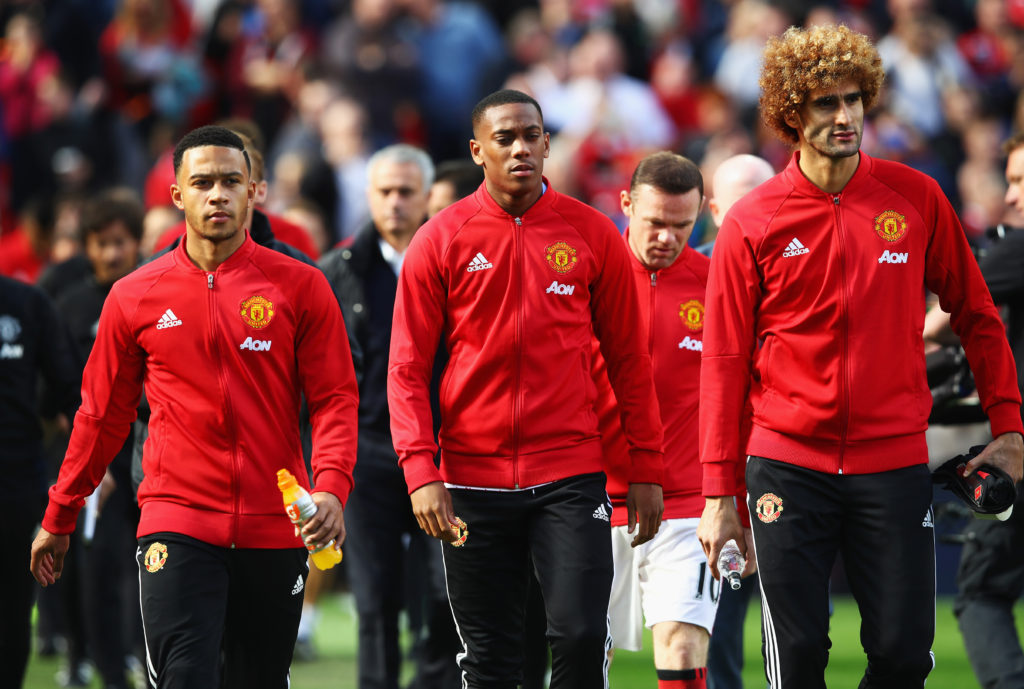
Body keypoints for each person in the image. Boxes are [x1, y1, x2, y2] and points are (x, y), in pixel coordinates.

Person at [696, 25, 1024, 689]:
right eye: (826, 103)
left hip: (895, 460)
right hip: (786, 464)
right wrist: (715, 491)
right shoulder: (751, 221)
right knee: (800, 661)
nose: (846, 116)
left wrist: (1010, 429)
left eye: (855, 100)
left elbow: (979, 318)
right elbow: (724, 360)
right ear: (792, 113)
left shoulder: (918, 196)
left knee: (904, 657)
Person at [29, 125, 359, 688]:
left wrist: (330, 485)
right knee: (186, 678)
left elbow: (334, 399)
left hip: (276, 525)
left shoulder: (301, 286)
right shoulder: (134, 295)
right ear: (178, 194)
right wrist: (62, 512)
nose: (218, 194)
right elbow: (100, 415)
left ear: (254, 190)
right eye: (202, 182)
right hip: (175, 520)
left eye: (232, 181)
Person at [387, 88, 665, 688]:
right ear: (477, 150)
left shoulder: (592, 234)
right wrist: (421, 472)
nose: (521, 149)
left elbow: (629, 362)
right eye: (505, 138)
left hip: (570, 474)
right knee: (491, 657)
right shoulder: (440, 240)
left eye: (532, 136)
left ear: (546, 142)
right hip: (469, 480)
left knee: (581, 635)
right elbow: (407, 370)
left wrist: (645, 465)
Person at [319, 143, 458, 689]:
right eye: (385, 192)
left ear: (427, 197)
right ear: (370, 196)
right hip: (368, 451)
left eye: (406, 192)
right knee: (374, 597)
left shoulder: (456, 261)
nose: (395, 202)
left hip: (444, 450)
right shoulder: (336, 270)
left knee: (447, 591)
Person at [600, 151, 726, 689]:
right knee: (580, 652)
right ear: (626, 204)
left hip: (686, 501)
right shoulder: (585, 275)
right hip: (589, 501)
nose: (667, 238)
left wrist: (730, 498)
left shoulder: (719, 284)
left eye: (683, 225)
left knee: (681, 643)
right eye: (654, 222)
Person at [53, 188, 147, 689]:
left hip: (152, 454)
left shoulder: (154, 293)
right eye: (102, 243)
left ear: (137, 243)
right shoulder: (70, 307)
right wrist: (96, 467)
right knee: (100, 568)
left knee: (154, 566)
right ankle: (106, 669)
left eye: (121, 242)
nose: (112, 253)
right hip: (98, 464)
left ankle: (145, 659)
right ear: (87, 246)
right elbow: (68, 392)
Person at [952, 131, 1024, 689]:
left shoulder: (1017, 247)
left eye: (1022, 181)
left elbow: (934, 325)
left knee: (980, 590)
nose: (1012, 197)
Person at [702, 154, 775, 689]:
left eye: (761, 193)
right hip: (719, 466)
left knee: (794, 619)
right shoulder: (691, 274)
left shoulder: (799, 265)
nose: (752, 207)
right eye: (740, 196)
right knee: (720, 613)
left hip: (786, 456)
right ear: (714, 207)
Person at [0, 274, 80, 689]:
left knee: (12, 609)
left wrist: (88, 469)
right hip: (21, 478)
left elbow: (71, 391)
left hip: (14, 484)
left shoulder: (28, 303)